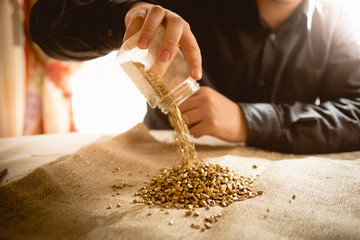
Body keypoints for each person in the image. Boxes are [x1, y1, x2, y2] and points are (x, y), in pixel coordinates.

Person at [29, 0, 360, 154]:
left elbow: (356, 113)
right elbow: (45, 24)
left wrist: (248, 121)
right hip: (159, 159)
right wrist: (126, 14)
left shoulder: (339, 23)